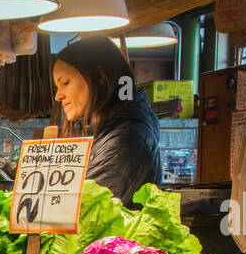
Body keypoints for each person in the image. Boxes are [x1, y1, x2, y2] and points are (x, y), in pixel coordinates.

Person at [52, 35, 163, 204]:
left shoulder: (127, 139)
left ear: (100, 77)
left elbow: (84, 210)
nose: (58, 96)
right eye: (57, 86)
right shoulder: (104, 130)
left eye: (65, 82)